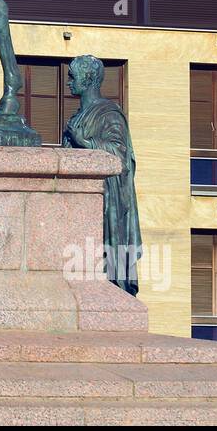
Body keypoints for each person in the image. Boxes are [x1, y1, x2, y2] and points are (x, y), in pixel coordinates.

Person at [61, 55, 142, 296]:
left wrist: (83, 141)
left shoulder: (109, 113)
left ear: (87, 79)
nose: (68, 83)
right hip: (77, 202)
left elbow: (119, 155)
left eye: (72, 77)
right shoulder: (76, 117)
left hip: (106, 202)